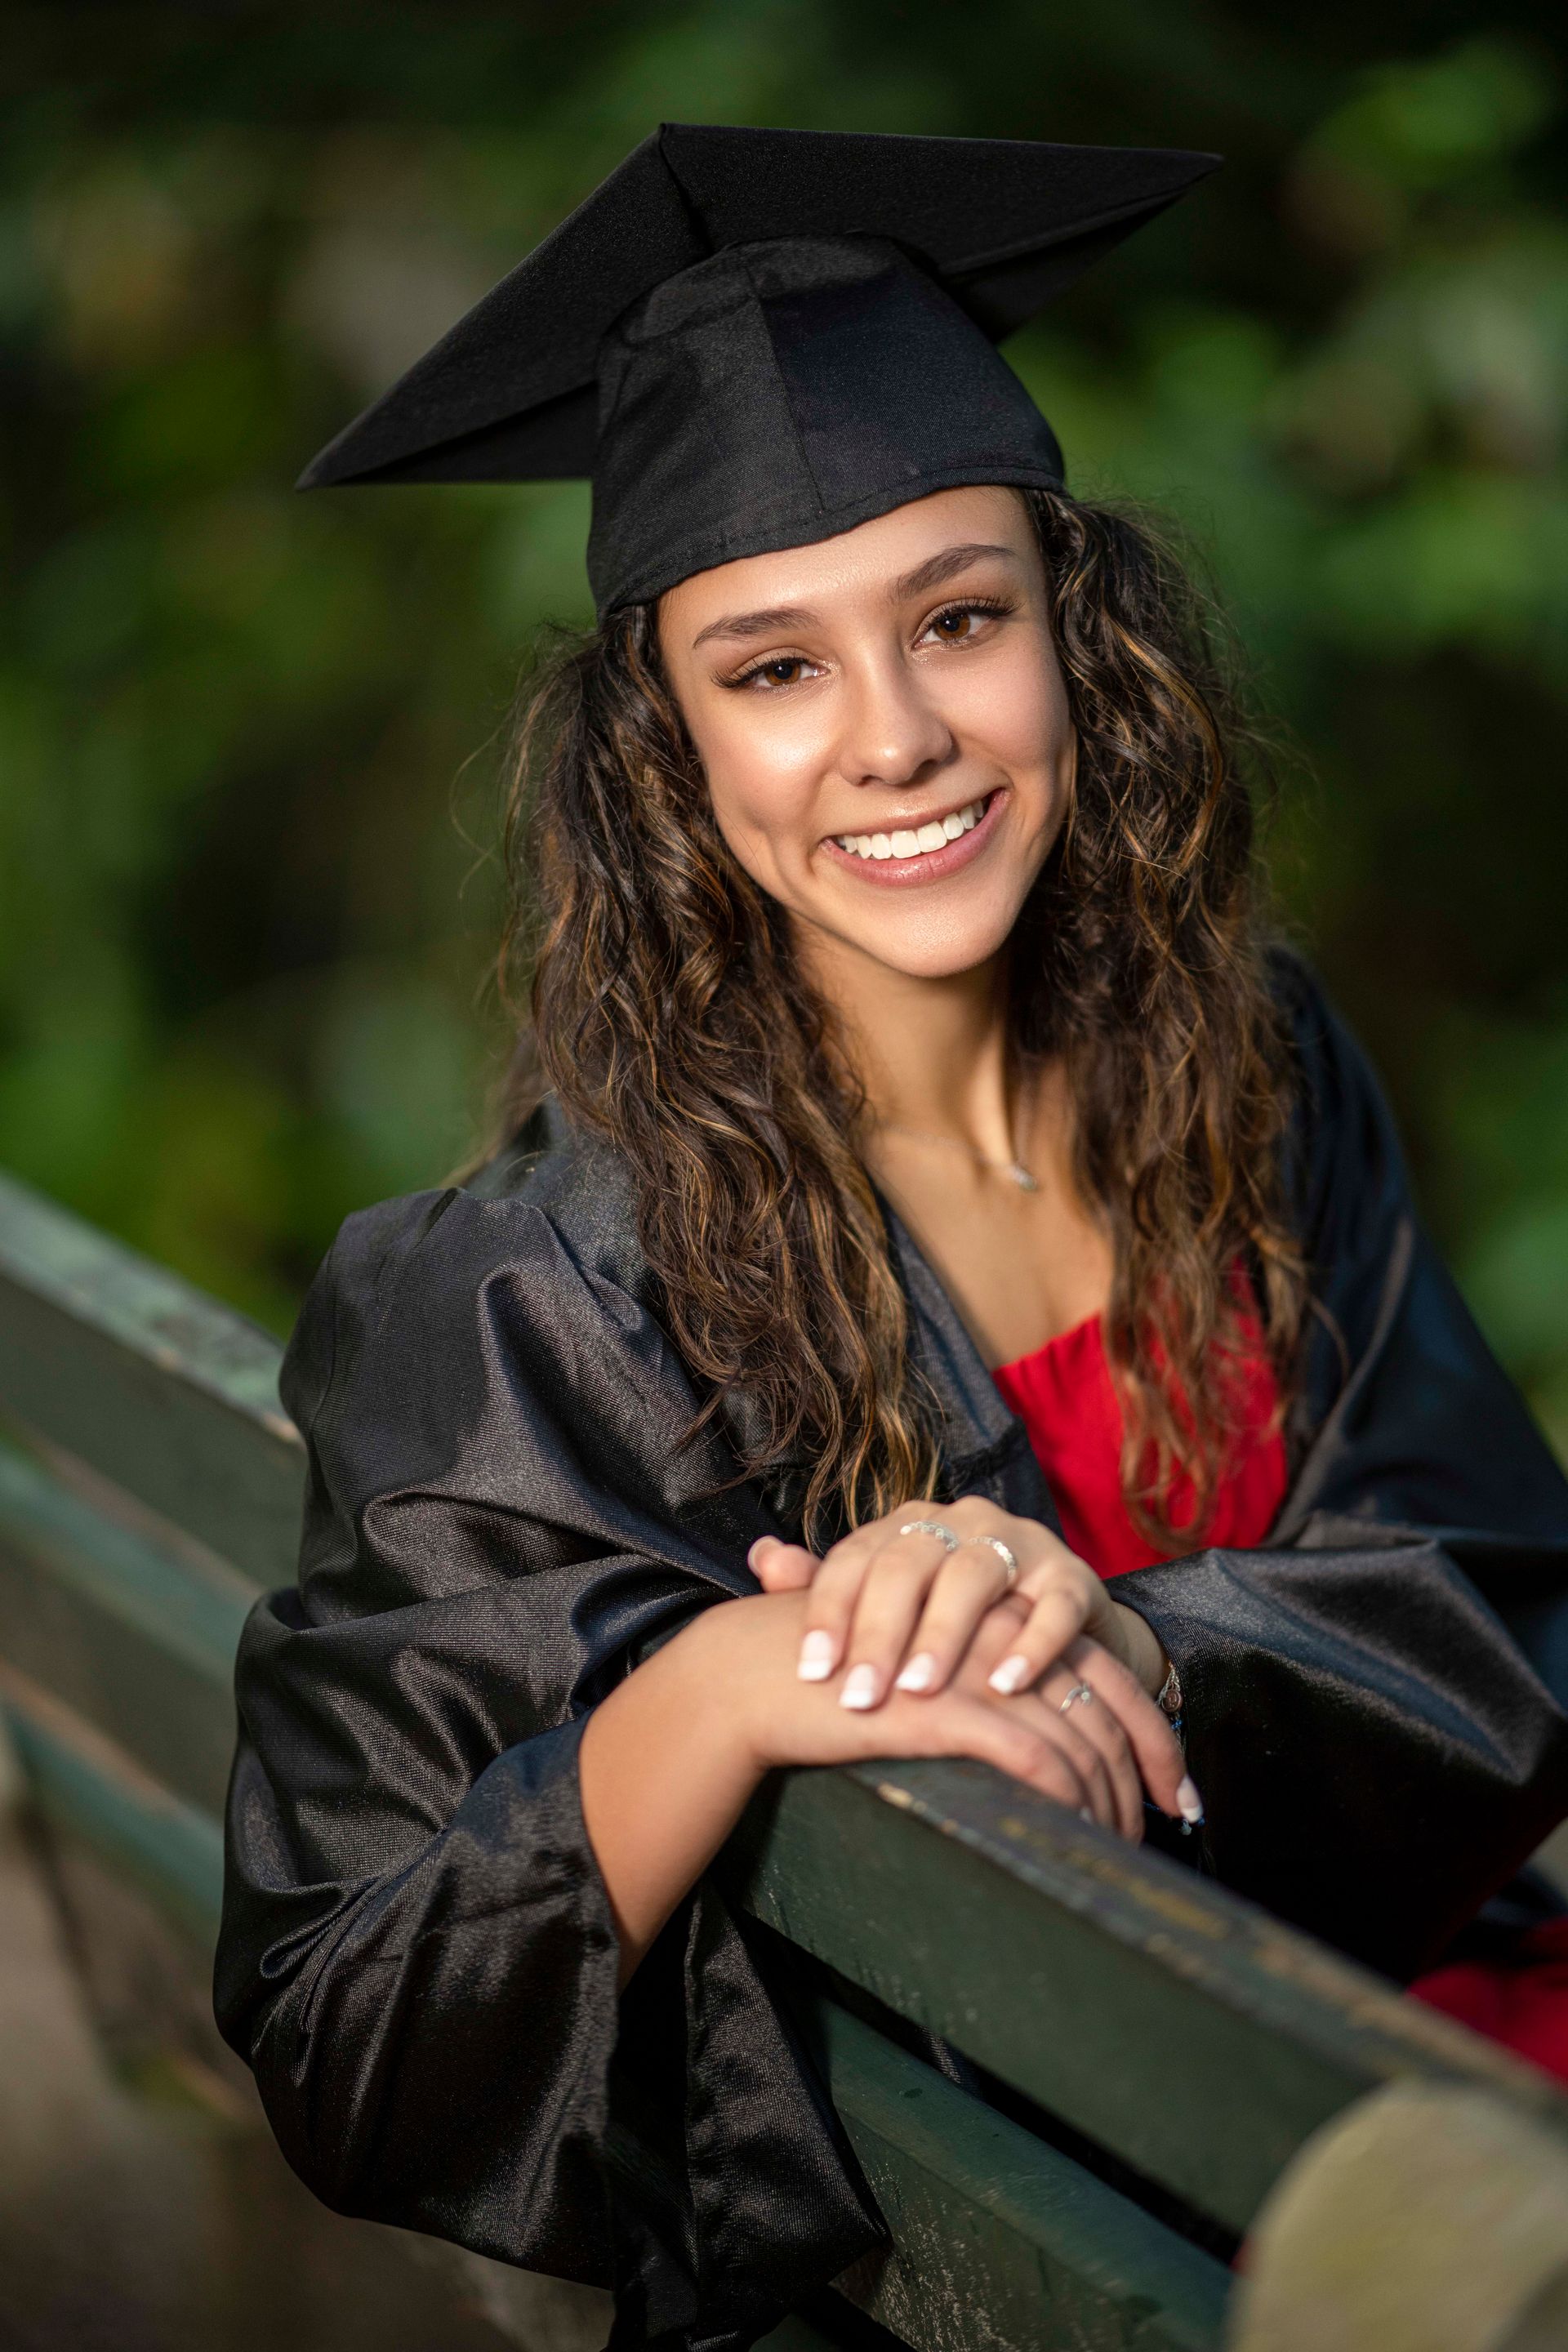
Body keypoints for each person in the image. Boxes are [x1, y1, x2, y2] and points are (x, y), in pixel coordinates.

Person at [215, 125, 1568, 2352]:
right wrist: (737, 1688)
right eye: (774, 669)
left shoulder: (1256, 1065)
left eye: (958, 617)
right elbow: (355, 2027)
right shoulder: (542, 1299)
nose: (900, 739)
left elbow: (1490, 1586)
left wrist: (1124, 1636)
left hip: (1338, 2065)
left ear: (1076, 632)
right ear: (663, 751)